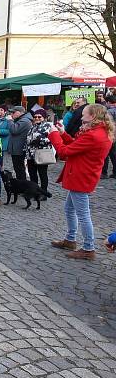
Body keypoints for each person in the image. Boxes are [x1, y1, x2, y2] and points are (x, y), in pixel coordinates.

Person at [48, 103, 114, 260]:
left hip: (81, 176)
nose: (81, 116)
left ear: (92, 116)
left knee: (83, 214)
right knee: (70, 209)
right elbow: (75, 146)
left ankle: (88, 247)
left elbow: (64, 151)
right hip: (82, 175)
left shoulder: (93, 135)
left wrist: (54, 135)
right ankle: (70, 239)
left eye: (84, 114)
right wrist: (63, 133)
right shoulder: (99, 132)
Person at [25, 109, 53, 193]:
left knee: (42, 174)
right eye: (35, 116)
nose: (36, 118)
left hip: (42, 154)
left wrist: (36, 139)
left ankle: (44, 193)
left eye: (39, 116)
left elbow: (49, 139)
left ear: (44, 117)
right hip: (31, 155)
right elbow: (28, 139)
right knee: (32, 174)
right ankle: (35, 191)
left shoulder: (47, 125)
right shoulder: (33, 126)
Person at [6, 106, 32, 180]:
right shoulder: (21, 119)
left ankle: (22, 185)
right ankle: (21, 184)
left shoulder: (25, 121)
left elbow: (14, 130)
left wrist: (10, 120)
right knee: (18, 169)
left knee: (19, 169)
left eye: (13, 112)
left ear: (19, 112)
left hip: (19, 149)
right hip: (17, 148)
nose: (11, 114)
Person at [101, 95, 116, 178]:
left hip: (110, 134)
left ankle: (104, 172)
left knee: (106, 154)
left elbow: (106, 123)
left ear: (108, 102)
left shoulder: (109, 111)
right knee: (114, 154)